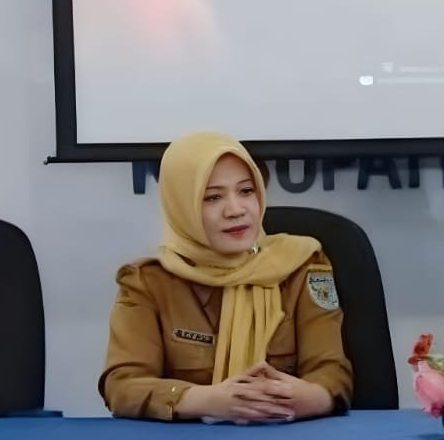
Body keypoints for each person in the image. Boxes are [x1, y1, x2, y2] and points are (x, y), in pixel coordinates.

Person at [99, 132, 352, 422]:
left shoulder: (300, 265)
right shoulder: (146, 282)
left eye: (246, 191)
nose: (236, 210)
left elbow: (331, 371)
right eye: (212, 197)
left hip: (287, 436)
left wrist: (310, 398)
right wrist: (207, 401)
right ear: (182, 207)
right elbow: (122, 385)